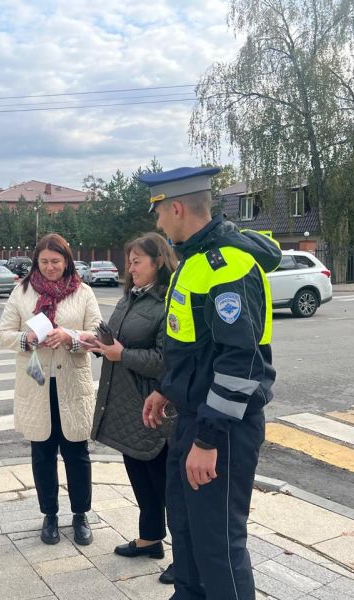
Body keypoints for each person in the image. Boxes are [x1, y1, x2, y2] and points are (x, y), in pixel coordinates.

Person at [139, 167, 281, 600]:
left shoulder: (227, 265)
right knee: (185, 532)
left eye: (159, 214)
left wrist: (208, 438)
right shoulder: (197, 259)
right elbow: (196, 346)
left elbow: (240, 363)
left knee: (218, 545)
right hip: (193, 418)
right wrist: (168, 386)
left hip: (222, 429)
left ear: (177, 208)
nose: (158, 224)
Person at [0, 233, 102, 546]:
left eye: (56, 261)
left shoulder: (82, 292)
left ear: (67, 260)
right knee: (42, 452)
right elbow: (3, 334)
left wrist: (70, 336)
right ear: (36, 262)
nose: (50, 267)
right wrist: (28, 340)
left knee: (77, 453)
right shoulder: (22, 291)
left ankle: (81, 515)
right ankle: (50, 515)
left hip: (72, 383)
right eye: (44, 262)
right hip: (37, 384)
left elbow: (97, 335)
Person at [85, 232, 178, 585]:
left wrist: (121, 354)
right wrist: (100, 345)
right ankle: (150, 538)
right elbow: (118, 342)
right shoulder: (130, 298)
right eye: (130, 260)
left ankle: (184, 559)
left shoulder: (167, 302)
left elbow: (166, 359)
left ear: (158, 263)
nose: (131, 267)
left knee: (166, 486)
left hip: (153, 408)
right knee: (139, 476)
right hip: (124, 404)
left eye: (138, 261)